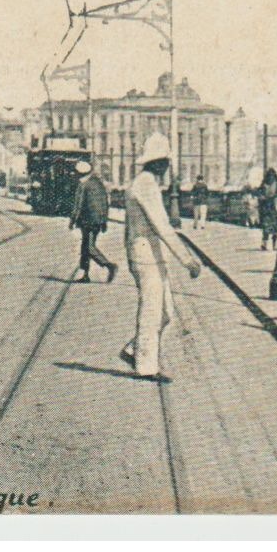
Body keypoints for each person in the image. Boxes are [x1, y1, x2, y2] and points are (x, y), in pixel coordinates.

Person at [118, 134, 201, 380]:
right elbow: (162, 226)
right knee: (152, 311)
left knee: (166, 312)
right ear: (158, 162)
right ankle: (145, 366)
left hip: (150, 255)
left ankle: (134, 349)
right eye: (165, 162)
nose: (167, 167)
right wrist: (187, 260)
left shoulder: (147, 182)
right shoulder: (144, 185)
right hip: (146, 256)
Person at [68, 161, 118, 283]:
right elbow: (106, 203)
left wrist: (73, 219)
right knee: (86, 246)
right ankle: (85, 275)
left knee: (89, 247)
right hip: (98, 220)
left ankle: (109, 265)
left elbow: (78, 204)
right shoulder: (99, 184)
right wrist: (105, 220)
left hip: (88, 220)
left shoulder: (83, 184)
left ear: (79, 173)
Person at [257, 169, 277, 251]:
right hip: (266, 208)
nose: (271, 178)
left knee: (276, 229)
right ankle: (264, 244)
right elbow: (259, 195)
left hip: (275, 208)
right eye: (269, 176)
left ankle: (275, 245)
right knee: (266, 228)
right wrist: (262, 198)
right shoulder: (264, 185)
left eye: (272, 176)